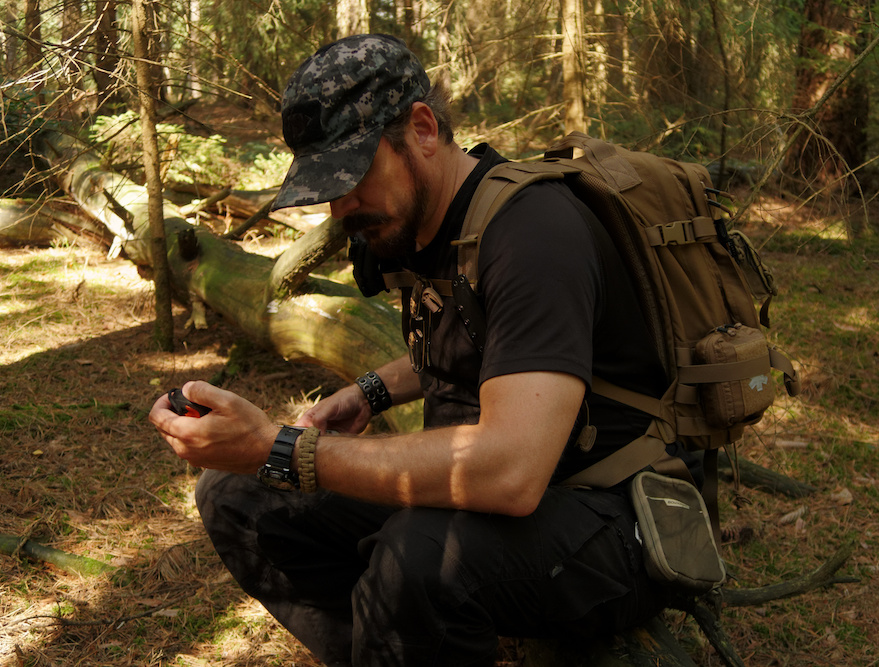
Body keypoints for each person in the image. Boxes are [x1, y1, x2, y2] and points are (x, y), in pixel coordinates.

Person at [149, 34, 698, 667]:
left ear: (422, 128)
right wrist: (367, 392)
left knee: (417, 557)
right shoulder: (408, 222)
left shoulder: (533, 233)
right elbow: (486, 341)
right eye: (327, 184)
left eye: (354, 174)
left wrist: (286, 449)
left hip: (616, 514)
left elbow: (512, 472)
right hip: (493, 500)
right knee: (238, 496)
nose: (343, 205)